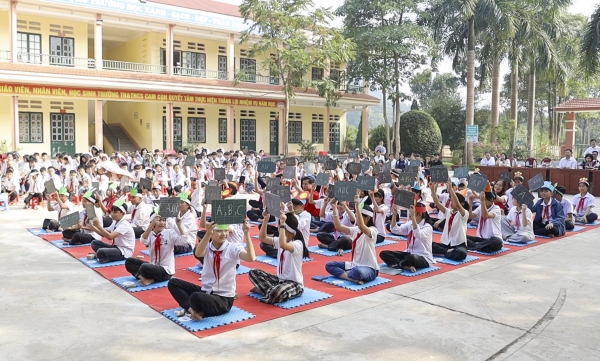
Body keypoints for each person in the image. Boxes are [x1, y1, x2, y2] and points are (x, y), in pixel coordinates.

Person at [167, 221, 256, 321]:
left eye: (225, 230)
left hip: (223, 299)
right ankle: (192, 310)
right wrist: (208, 233)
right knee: (173, 283)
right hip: (207, 292)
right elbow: (198, 253)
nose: (223, 234)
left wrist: (247, 233)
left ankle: (197, 309)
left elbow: (251, 258)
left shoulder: (233, 247)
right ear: (211, 233)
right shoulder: (207, 247)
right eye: (219, 231)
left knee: (196, 297)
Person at [250, 211, 309, 304]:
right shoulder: (282, 240)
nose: (277, 227)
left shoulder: (298, 243)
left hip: (294, 284)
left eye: (279, 226)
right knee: (253, 272)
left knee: (275, 292)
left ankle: (267, 291)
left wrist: (282, 224)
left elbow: (283, 245)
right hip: (279, 281)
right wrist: (265, 219)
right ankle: (269, 291)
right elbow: (262, 238)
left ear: (285, 228)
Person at [324, 193, 380, 284]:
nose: (356, 219)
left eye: (359, 217)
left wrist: (357, 205)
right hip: (354, 265)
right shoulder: (356, 230)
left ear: (367, 218)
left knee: (358, 272)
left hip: (369, 268)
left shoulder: (373, 230)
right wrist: (334, 208)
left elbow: (362, 226)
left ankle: (350, 275)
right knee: (329, 265)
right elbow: (338, 226)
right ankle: (350, 278)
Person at [125, 215, 190, 286]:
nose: (162, 223)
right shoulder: (150, 234)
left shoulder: (169, 233)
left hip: (165, 271)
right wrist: (150, 226)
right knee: (129, 261)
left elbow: (184, 240)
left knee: (144, 267)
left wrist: (179, 225)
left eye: (164, 220)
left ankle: (148, 277)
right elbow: (143, 241)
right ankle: (143, 277)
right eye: (159, 220)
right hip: (153, 266)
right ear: (153, 222)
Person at [379, 202, 434, 272]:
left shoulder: (427, 227)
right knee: (384, 253)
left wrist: (413, 218)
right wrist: (394, 215)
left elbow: (417, 234)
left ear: (419, 214)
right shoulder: (410, 224)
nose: (410, 214)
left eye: (412, 212)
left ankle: (399, 264)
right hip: (409, 253)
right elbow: (395, 230)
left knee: (412, 258)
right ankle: (404, 265)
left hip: (423, 257)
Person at [87, 197, 136, 263]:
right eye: (112, 211)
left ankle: (105, 256)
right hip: (116, 247)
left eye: (115, 212)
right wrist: (94, 227)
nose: (112, 214)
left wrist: (98, 225)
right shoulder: (115, 222)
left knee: (101, 251)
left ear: (123, 213)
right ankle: (105, 257)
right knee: (95, 243)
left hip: (124, 251)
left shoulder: (124, 224)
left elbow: (110, 237)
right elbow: (103, 234)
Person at [430, 180, 469, 261]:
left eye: (453, 201)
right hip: (447, 244)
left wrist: (451, 189)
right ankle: (447, 252)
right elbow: (437, 203)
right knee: (428, 244)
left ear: (461, 203)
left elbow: (457, 205)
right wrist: (432, 190)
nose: (451, 203)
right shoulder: (449, 212)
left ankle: (444, 252)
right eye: (451, 201)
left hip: (459, 244)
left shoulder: (464, 213)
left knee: (461, 253)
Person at [466, 182, 503, 253]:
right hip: (481, 238)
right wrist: (470, 203)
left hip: (493, 238)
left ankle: (475, 246)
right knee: (463, 237)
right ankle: (480, 246)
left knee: (496, 242)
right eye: (482, 199)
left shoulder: (496, 208)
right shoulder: (481, 207)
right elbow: (470, 216)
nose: (482, 200)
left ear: (491, 199)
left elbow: (486, 215)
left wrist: (482, 202)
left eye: (485, 199)